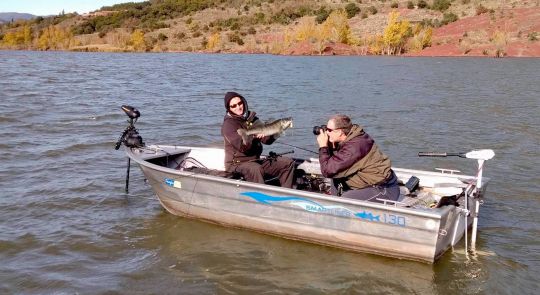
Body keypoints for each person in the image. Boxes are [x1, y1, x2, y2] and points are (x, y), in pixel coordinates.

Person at [316, 114, 400, 202]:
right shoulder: (352, 137)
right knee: (336, 176)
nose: (327, 133)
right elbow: (335, 164)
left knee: (345, 200)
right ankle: (333, 202)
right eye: (326, 128)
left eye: (329, 130)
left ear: (340, 132)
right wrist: (331, 146)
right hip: (369, 183)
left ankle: (336, 207)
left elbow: (327, 171)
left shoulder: (354, 147)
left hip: (385, 190)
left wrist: (323, 147)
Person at [221, 91, 295, 188]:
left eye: (240, 103)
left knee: (287, 163)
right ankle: (261, 199)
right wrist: (253, 136)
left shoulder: (252, 118)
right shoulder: (228, 125)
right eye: (234, 106)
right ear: (229, 109)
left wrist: (279, 131)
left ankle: (285, 196)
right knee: (256, 169)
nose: (238, 107)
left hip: (255, 160)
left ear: (243, 102)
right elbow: (243, 148)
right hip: (236, 164)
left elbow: (267, 141)